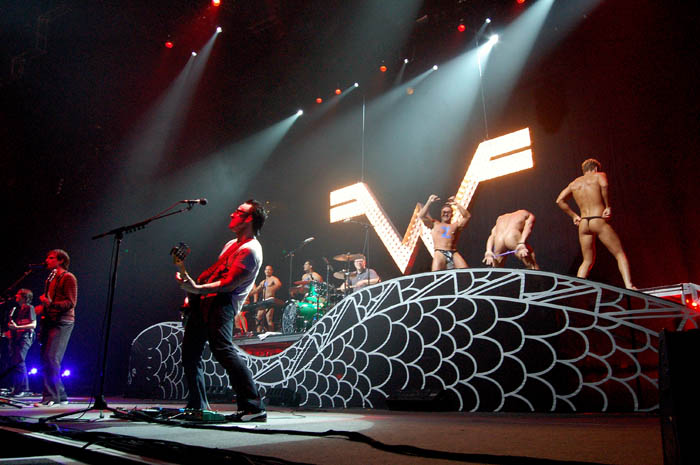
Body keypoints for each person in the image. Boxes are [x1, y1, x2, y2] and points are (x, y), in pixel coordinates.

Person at [173, 199, 267, 422]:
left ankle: (253, 407)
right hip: (206, 301)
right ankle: (197, 405)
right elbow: (216, 275)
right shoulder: (231, 244)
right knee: (190, 353)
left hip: (223, 304)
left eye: (239, 212)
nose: (232, 214)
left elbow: (229, 284)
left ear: (250, 219)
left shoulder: (250, 250)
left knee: (223, 350)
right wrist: (190, 284)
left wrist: (197, 288)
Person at [556, 158, 635, 289]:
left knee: (587, 260)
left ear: (584, 170)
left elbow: (559, 200)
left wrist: (574, 216)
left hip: (584, 223)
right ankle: (629, 285)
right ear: (595, 168)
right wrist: (607, 206)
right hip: (597, 219)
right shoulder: (599, 175)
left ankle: (577, 290)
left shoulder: (574, 183)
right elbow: (604, 185)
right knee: (619, 253)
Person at [34, 249, 77, 407]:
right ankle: (61, 396)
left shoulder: (68, 277)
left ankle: (51, 397)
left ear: (61, 260)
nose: (47, 260)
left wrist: (50, 304)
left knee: (51, 357)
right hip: (50, 320)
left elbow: (71, 302)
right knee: (46, 358)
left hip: (62, 321)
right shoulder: (51, 277)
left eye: (51, 258)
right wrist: (43, 308)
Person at [418, 194, 471, 270]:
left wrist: (457, 204)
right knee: (437, 274)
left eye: (448, 212)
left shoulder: (455, 225)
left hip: (453, 252)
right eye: (444, 212)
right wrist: (429, 202)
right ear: (441, 214)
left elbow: (467, 216)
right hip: (440, 252)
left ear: (452, 214)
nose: (446, 214)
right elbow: (421, 216)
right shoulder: (434, 224)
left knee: (466, 272)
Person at [7, 289, 36, 397]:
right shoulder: (17, 309)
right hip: (17, 337)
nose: (16, 296)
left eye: (18, 295)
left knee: (20, 360)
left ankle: (23, 389)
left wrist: (17, 327)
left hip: (26, 337)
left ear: (24, 297)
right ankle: (17, 388)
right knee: (15, 361)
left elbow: (33, 325)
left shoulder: (29, 308)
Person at [251, 265, 282, 333]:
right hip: (264, 301)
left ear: (272, 271)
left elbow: (279, 284)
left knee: (269, 319)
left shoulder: (273, 278)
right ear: (264, 271)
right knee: (258, 318)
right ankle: (259, 333)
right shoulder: (263, 281)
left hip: (270, 300)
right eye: (266, 269)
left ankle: (271, 334)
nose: (267, 271)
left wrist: (272, 288)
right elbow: (256, 290)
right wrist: (248, 294)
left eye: (269, 269)